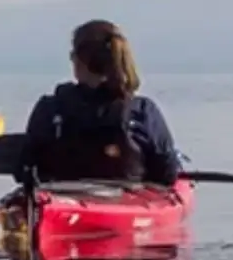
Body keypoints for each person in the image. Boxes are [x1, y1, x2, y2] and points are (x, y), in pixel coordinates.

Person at [14, 19, 183, 185]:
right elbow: (167, 173)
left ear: (80, 60)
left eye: (72, 56)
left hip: (60, 202)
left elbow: (23, 169)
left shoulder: (50, 108)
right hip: (125, 202)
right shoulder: (142, 111)